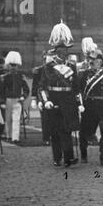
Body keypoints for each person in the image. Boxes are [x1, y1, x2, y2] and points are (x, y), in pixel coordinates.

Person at [39, 21, 82, 168]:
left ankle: (69, 158)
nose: (65, 52)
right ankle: (57, 157)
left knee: (67, 129)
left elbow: (76, 87)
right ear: (57, 50)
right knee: (56, 132)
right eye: (62, 49)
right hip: (54, 99)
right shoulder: (49, 67)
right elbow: (42, 87)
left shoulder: (71, 66)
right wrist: (46, 101)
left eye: (66, 49)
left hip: (68, 101)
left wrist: (79, 103)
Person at [1, 51, 29, 144]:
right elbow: (2, 90)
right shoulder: (5, 77)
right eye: (12, 65)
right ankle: (9, 136)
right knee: (8, 119)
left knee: (16, 120)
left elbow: (26, 89)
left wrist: (23, 97)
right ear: (9, 66)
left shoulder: (21, 77)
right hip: (8, 100)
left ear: (18, 66)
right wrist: (2, 101)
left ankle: (15, 138)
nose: (13, 67)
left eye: (15, 65)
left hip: (18, 100)